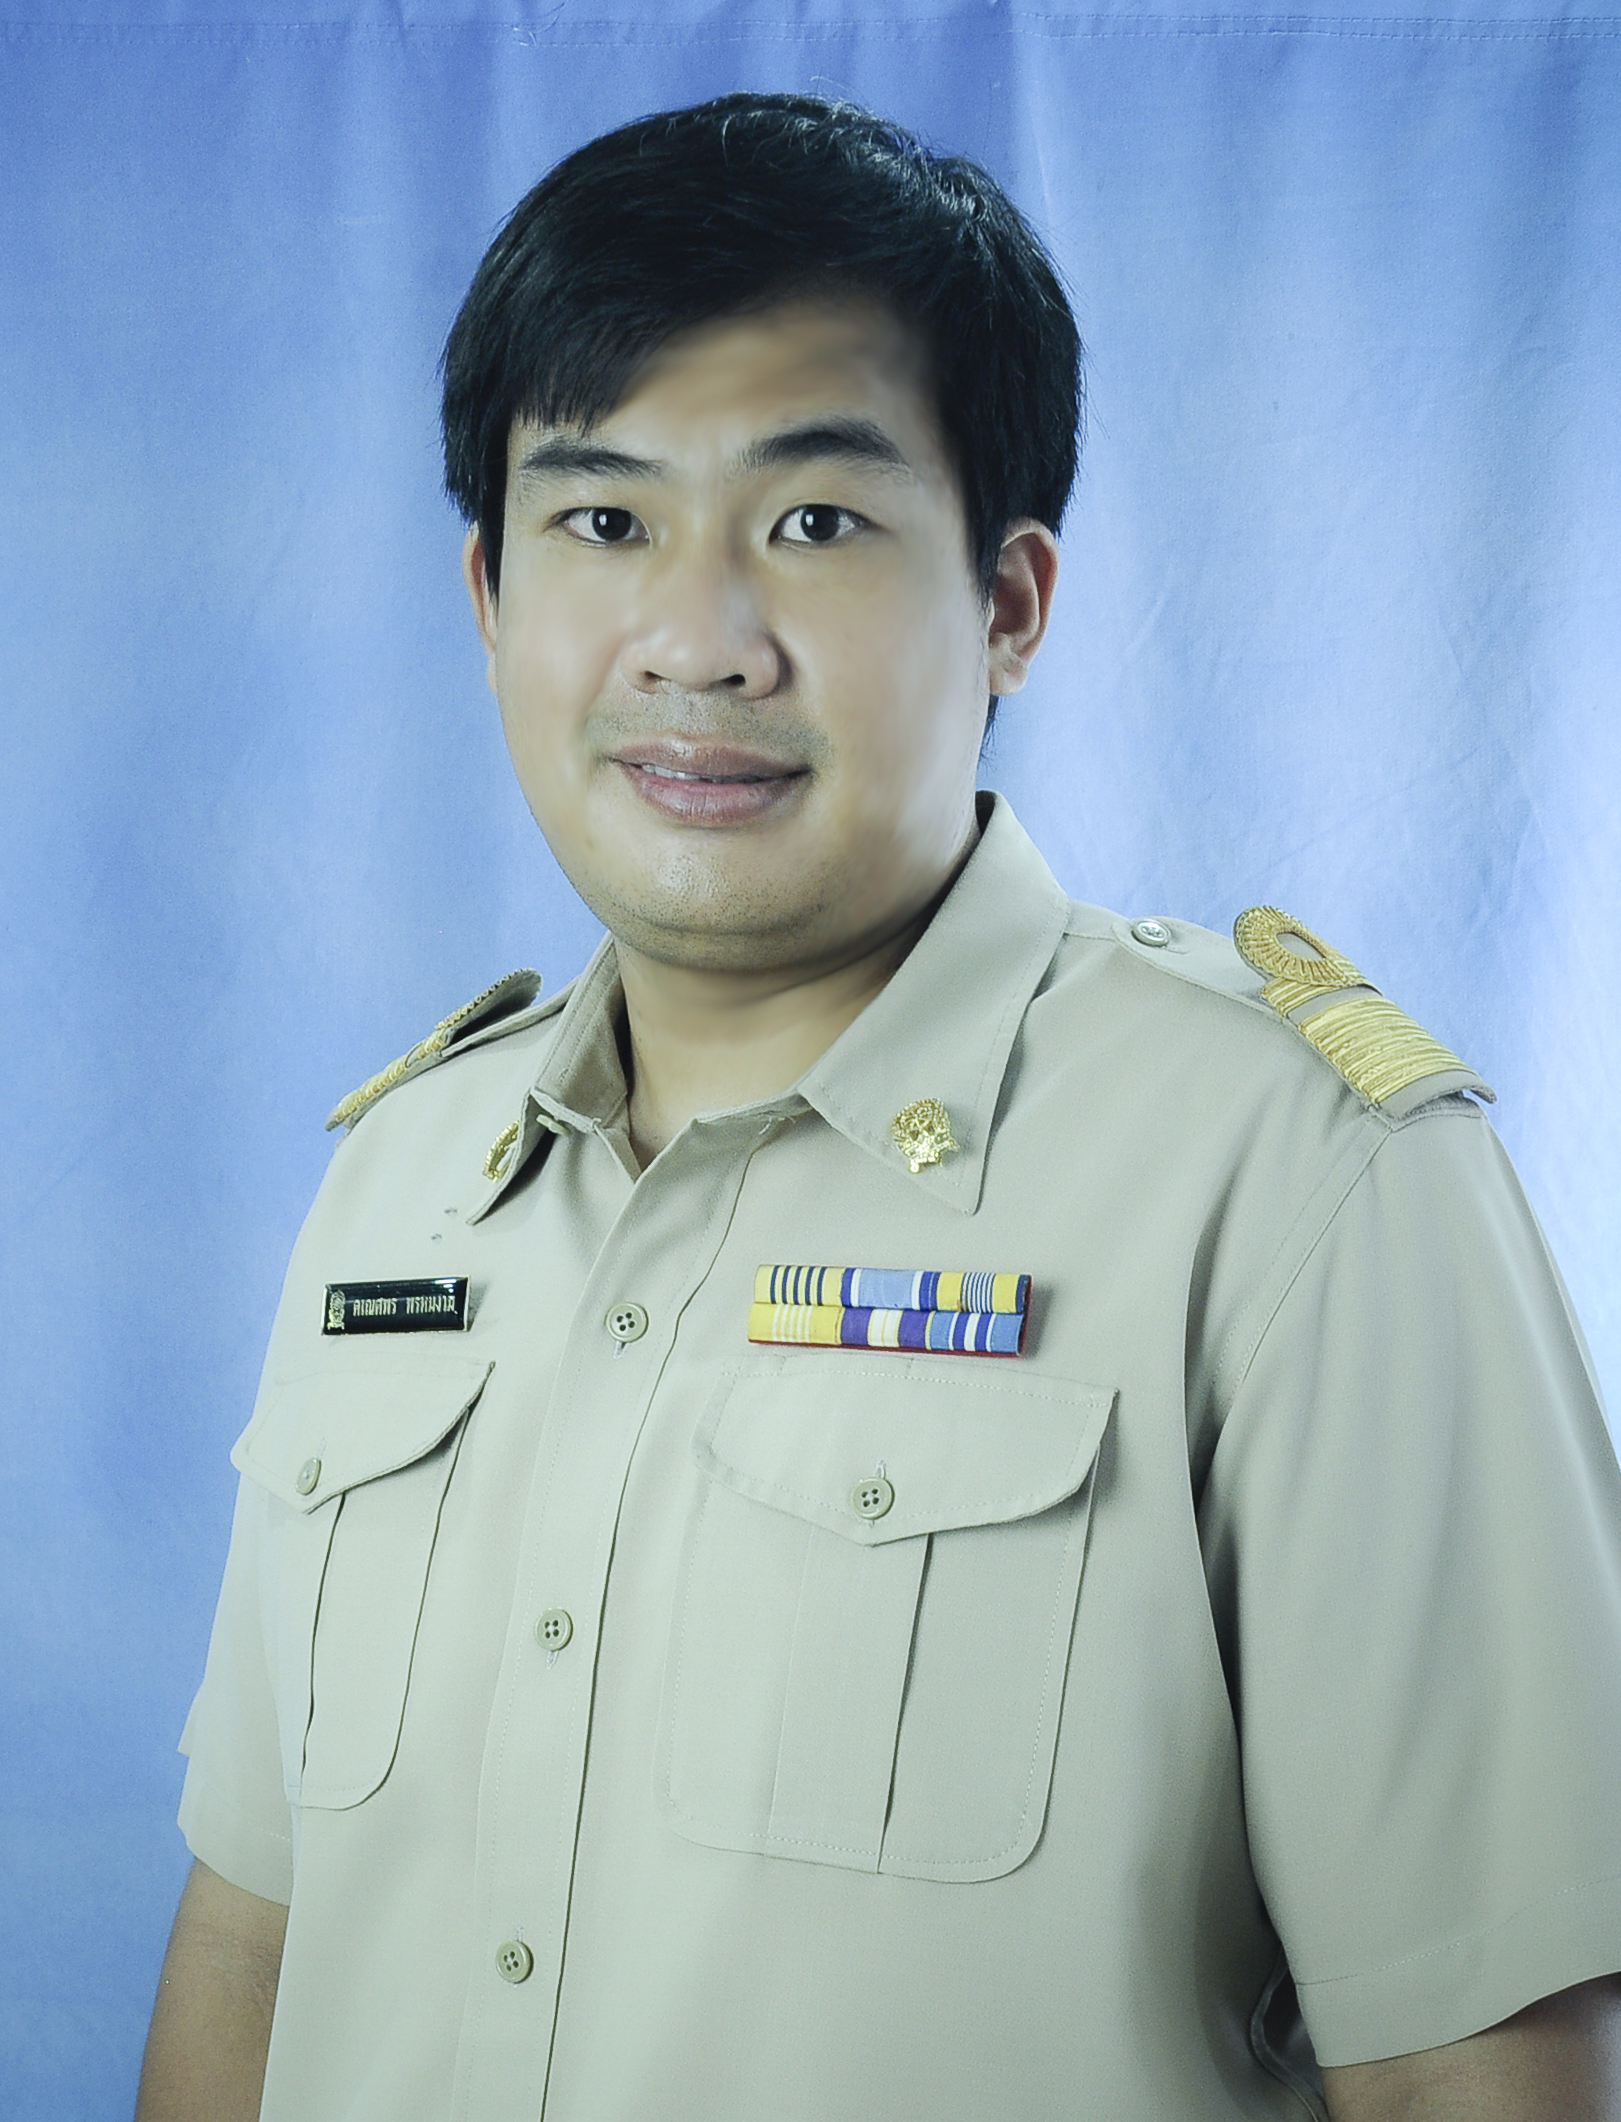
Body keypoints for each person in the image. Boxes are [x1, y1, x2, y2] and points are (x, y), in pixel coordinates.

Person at [135, 92, 1621, 2122]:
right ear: (487, 594)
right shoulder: (403, 1181)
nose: (697, 641)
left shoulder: (1302, 1182)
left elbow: (1473, 2053)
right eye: (603, 521)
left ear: (1009, 601)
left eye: (815, 522)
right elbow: (254, 1935)